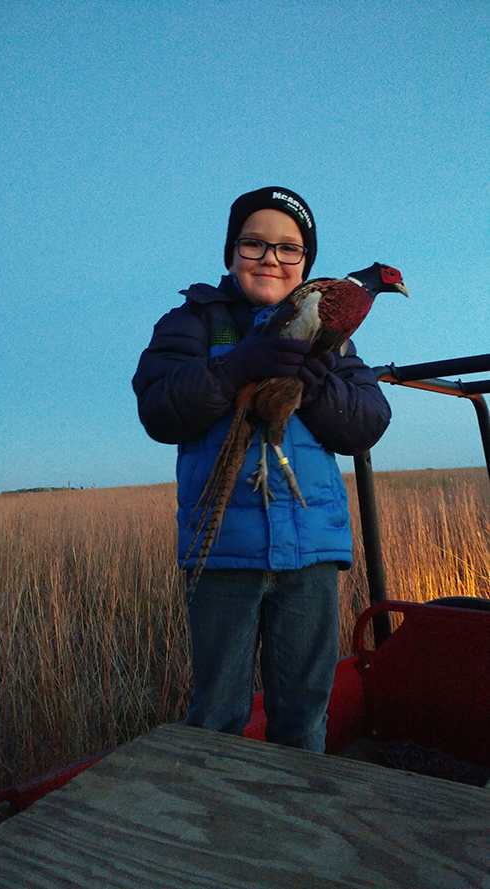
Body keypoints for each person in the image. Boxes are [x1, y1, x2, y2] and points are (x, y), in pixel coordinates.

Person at [132, 186, 391, 752]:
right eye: (254, 244)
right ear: (231, 254)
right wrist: (234, 370)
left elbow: (369, 422)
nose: (271, 258)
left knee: (302, 716)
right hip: (224, 549)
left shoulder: (337, 336)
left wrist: (317, 386)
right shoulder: (194, 323)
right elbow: (158, 406)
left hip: (311, 554)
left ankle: (294, 830)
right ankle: (219, 829)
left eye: (288, 248)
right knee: (219, 715)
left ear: (307, 264)